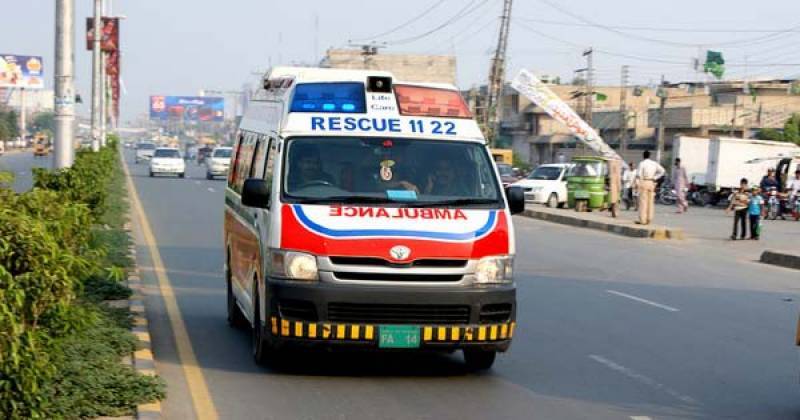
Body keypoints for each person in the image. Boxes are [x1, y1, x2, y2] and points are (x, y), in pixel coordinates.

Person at [635, 150, 666, 225]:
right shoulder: (654, 163)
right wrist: (655, 177)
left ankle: (643, 220)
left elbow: (638, 175)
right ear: (649, 156)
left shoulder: (642, 163)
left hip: (644, 182)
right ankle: (649, 219)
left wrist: (637, 185)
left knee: (643, 202)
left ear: (643, 156)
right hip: (651, 182)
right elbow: (662, 171)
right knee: (650, 202)